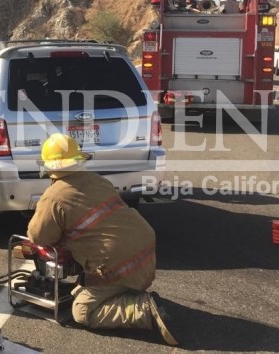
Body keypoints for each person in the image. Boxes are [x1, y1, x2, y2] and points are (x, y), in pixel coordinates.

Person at [26, 133, 177, 345]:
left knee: (82, 311)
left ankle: (143, 310)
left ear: (50, 166)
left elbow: (39, 236)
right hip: (144, 253)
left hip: (119, 265)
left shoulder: (53, 196)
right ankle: (126, 292)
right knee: (84, 286)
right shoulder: (98, 180)